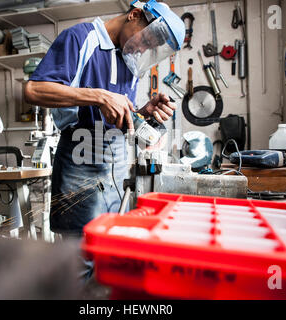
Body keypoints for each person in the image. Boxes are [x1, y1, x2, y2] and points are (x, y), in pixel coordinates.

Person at [24, 0, 184, 240]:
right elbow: (34, 90)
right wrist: (98, 96)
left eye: (150, 47)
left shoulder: (129, 59)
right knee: (80, 250)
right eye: (146, 40)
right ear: (135, 15)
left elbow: (116, 115)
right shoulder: (80, 38)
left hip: (116, 162)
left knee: (111, 244)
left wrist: (142, 113)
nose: (142, 50)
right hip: (81, 156)